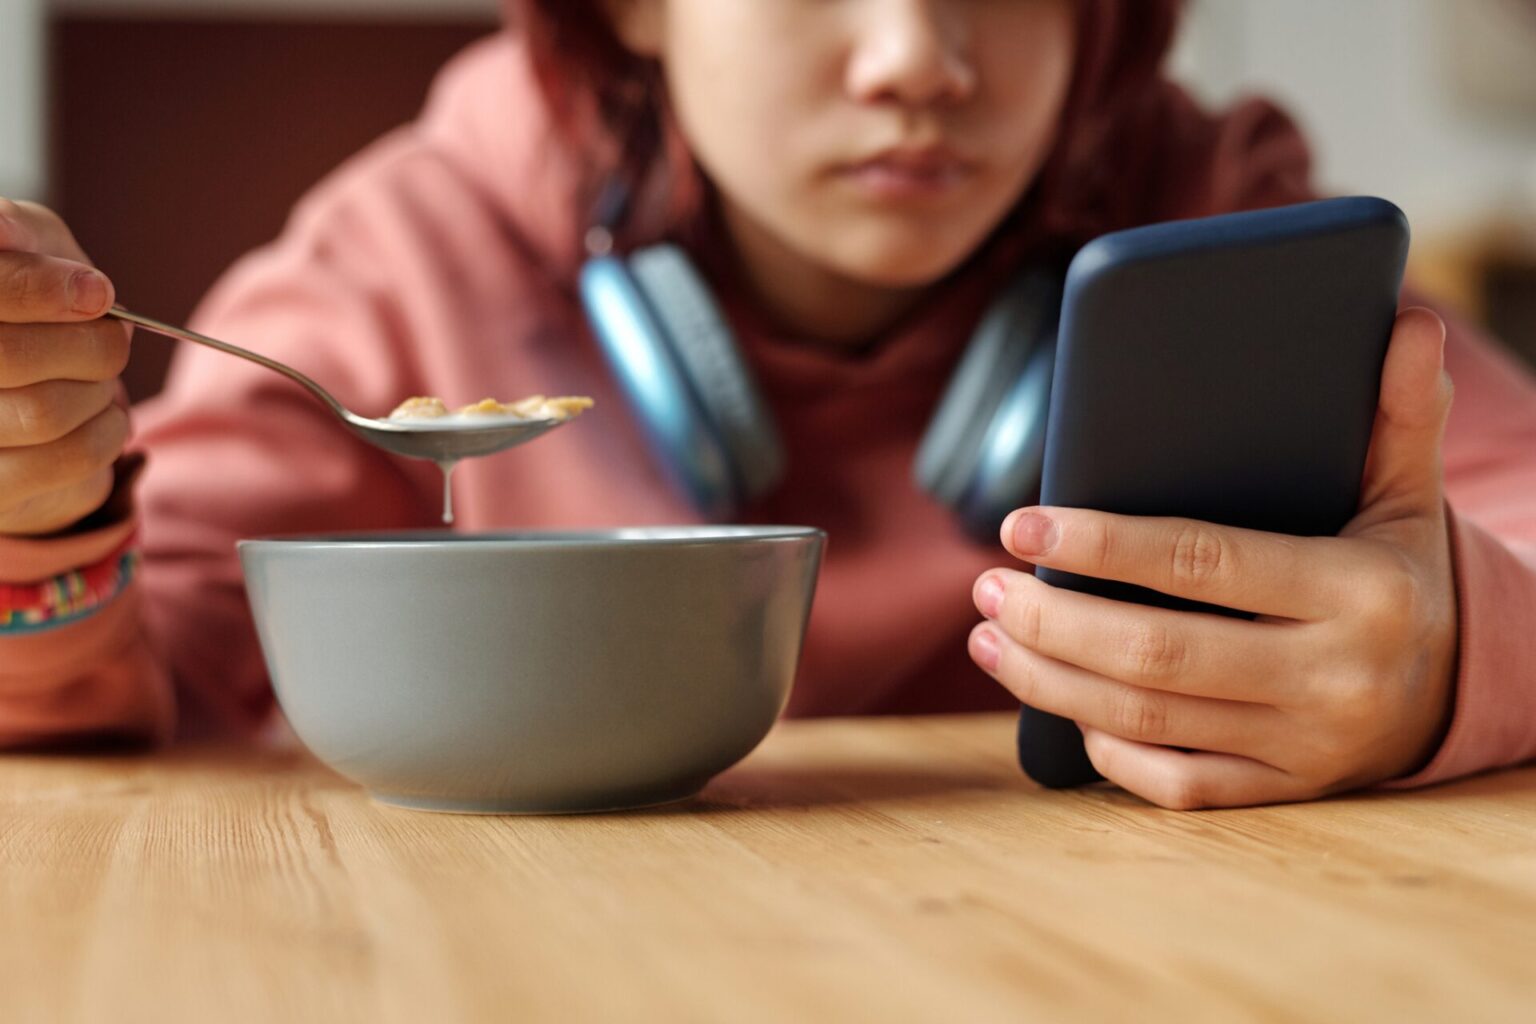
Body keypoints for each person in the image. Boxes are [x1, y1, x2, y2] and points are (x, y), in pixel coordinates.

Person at [1, 0, 1533, 808]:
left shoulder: (1214, 222)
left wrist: (1450, 652)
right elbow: (136, 677)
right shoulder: (409, 252)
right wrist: (36, 506)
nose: (917, 57)